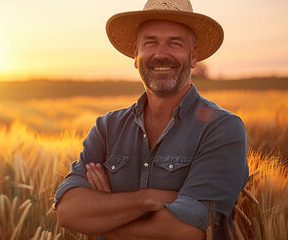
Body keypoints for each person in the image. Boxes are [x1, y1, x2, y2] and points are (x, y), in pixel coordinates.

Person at [54, 0, 249, 239]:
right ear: (136, 55)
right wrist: (148, 199)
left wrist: (101, 218)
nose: (161, 54)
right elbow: (67, 211)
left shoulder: (221, 128)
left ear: (193, 55)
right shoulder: (106, 128)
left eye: (174, 43)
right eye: (150, 42)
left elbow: (185, 231)